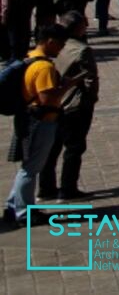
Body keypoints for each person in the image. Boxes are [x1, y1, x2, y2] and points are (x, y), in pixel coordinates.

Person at [4, 24, 80, 225]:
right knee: (31, 169)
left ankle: (14, 205)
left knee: (28, 167)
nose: (61, 48)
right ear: (50, 41)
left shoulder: (29, 58)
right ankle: (24, 212)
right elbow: (47, 98)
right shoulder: (44, 67)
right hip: (41, 122)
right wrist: (66, 86)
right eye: (60, 44)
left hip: (28, 118)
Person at [38, 11, 97, 202]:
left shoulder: (52, 47)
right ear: (78, 28)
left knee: (51, 148)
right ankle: (67, 188)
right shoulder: (81, 49)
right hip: (74, 104)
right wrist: (91, 100)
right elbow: (90, 80)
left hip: (53, 104)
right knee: (74, 147)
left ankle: (46, 188)